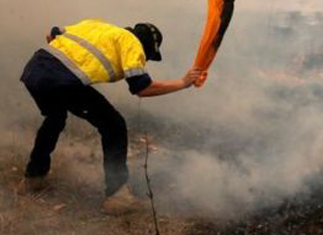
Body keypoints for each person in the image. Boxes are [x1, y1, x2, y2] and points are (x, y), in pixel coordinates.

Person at [18, 19, 201, 215]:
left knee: (55, 117)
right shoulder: (132, 44)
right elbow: (142, 88)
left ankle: (33, 178)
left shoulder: (99, 27)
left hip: (34, 70)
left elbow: (53, 34)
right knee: (114, 126)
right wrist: (182, 82)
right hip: (61, 80)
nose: (145, 60)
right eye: (148, 56)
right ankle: (117, 198)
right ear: (147, 45)